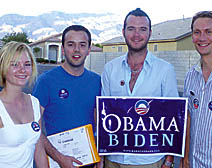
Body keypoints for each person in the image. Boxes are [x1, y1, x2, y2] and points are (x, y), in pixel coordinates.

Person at [101, 8, 178, 168]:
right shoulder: (110, 69)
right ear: (123, 32)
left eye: (142, 29)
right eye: (131, 29)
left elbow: (173, 117)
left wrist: (169, 160)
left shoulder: (165, 70)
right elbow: (104, 116)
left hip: (149, 160)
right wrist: (101, 158)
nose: (137, 35)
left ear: (150, 33)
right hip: (114, 159)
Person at [32, 25, 101, 168]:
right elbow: (33, 128)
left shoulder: (97, 82)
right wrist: (59, 158)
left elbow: (99, 124)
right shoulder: (46, 81)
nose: (76, 50)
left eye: (82, 45)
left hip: (88, 162)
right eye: (71, 44)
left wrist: (99, 154)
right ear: (63, 49)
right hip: (56, 162)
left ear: (89, 49)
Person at [181, 11, 212, 168]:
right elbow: (188, 119)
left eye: (208, 32)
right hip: (193, 163)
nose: (202, 38)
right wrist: (185, 158)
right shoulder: (190, 76)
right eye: (197, 32)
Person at [0, 41, 48, 168]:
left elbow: (39, 150)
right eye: (15, 64)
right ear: (3, 68)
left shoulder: (34, 103)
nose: (22, 69)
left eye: (27, 64)